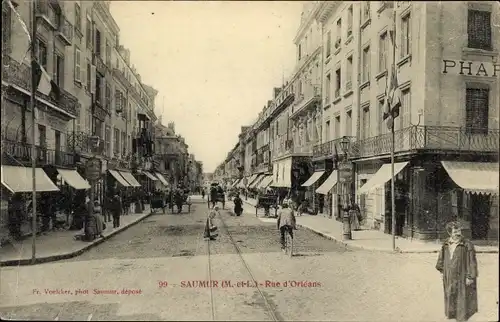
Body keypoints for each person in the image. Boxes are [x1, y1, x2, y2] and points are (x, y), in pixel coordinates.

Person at [436, 220, 478, 322]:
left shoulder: (467, 244)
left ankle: (461, 318)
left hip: (462, 274)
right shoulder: (446, 243)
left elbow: (472, 261)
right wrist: (441, 271)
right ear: (450, 233)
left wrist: (470, 276)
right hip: (449, 273)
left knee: (462, 296)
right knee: (450, 293)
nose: (458, 233)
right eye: (455, 231)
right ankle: (452, 314)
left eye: (459, 230)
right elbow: (441, 258)